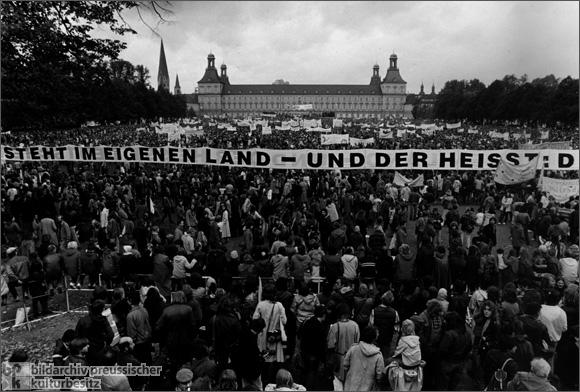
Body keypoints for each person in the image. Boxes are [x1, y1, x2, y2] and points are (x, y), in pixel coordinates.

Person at [156, 291, 196, 381]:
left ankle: (174, 382)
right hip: (185, 341)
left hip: (171, 341)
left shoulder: (167, 310)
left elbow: (158, 327)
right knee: (185, 363)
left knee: (173, 364)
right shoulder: (188, 309)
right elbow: (193, 325)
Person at [253, 283, 287, 384]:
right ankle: (273, 382)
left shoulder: (260, 304)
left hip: (262, 335)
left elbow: (255, 319)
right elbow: (284, 321)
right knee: (274, 360)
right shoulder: (279, 305)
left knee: (264, 358)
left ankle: (264, 381)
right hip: (274, 337)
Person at [326, 302, 360, 391]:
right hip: (352, 358)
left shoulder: (335, 327)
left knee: (338, 382)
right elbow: (357, 342)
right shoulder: (355, 325)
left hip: (339, 359)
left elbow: (330, 345)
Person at [437, 311, 473, 391]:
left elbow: (442, 350)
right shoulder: (467, 333)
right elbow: (469, 348)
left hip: (448, 363)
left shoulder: (450, 334)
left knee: (443, 385)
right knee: (455, 385)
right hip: (460, 362)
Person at [343, 325, 385, 391]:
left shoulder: (353, 349)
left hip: (351, 385)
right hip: (368, 386)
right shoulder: (378, 355)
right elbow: (379, 375)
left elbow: (345, 364)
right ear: (374, 338)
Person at [75, 299, 114, 366]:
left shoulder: (83, 320)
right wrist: (107, 344)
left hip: (86, 349)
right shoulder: (103, 321)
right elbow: (110, 334)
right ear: (101, 310)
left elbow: (76, 335)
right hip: (99, 348)